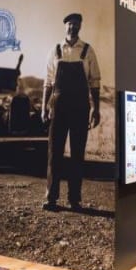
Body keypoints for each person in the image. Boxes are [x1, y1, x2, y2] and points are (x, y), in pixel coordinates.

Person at [41, 12, 101, 211]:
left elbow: (95, 82)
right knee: (54, 153)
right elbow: (48, 82)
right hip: (58, 107)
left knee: (77, 154)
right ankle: (51, 198)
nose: (72, 27)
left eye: (76, 24)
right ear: (65, 26)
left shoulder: (87, 50)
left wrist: (96, 109)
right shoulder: (55, 50)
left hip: (80, 107)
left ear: (80, 27)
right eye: (69, 24)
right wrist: (44, 107)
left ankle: (74, 199)